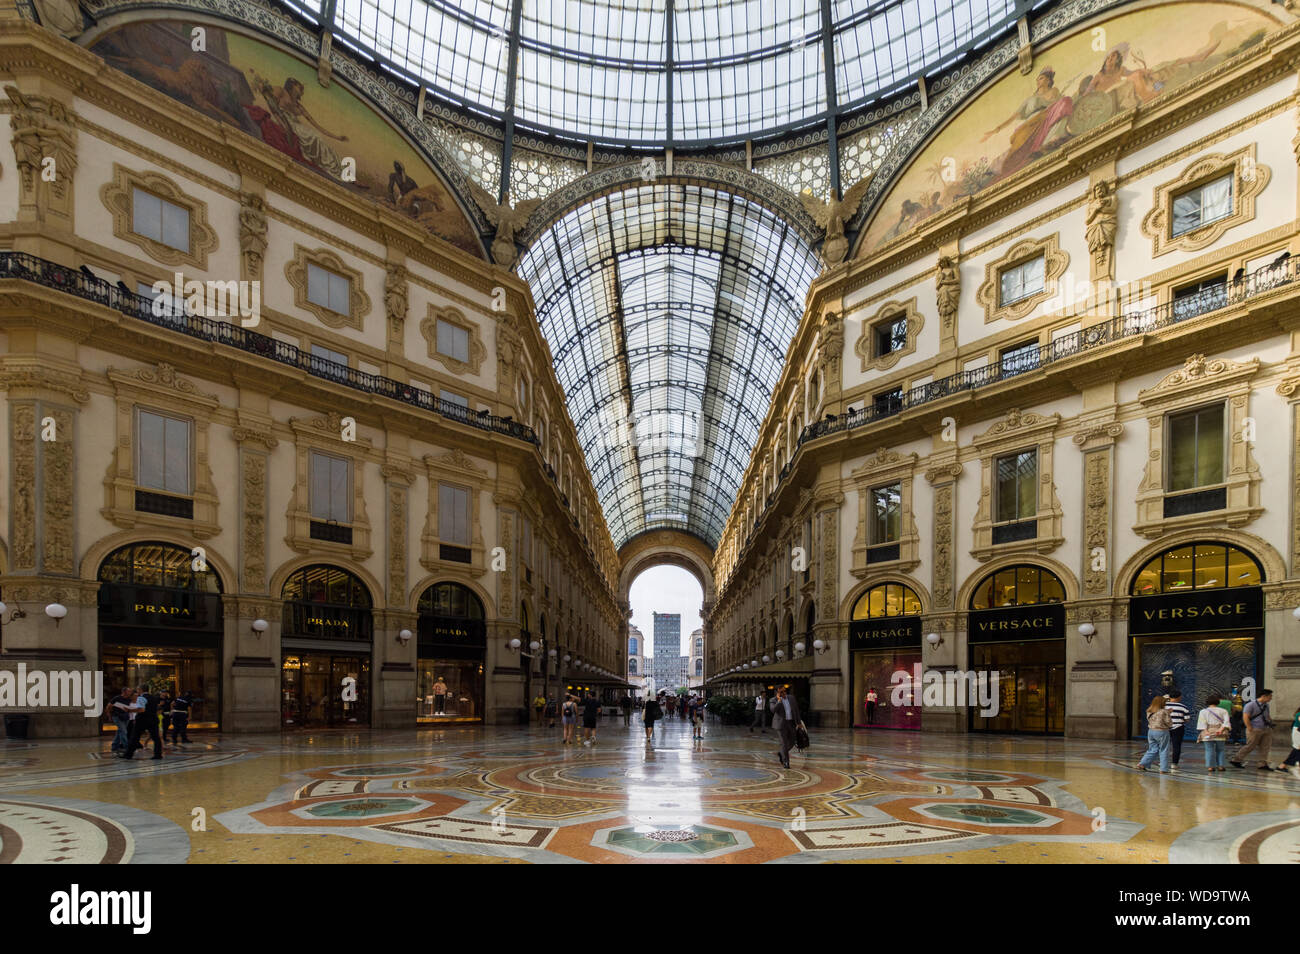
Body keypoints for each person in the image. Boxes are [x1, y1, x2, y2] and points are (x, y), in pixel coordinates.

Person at [1231, 688, 1275, 771]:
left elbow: (1267, 715)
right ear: (1264, 696)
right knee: (1250, 746)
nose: (1271, 698)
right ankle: (1236, 759)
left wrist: (1271, 722)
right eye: (1270, 696)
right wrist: (1249, 727)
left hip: (1266, 728)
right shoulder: (1250, 705)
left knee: (1265, 747)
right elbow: (1245, 716)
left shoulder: (1266, 705)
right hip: (1255, 728)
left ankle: (1262, 763)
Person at [769, 685, 803, 770]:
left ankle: (781, 753)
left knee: (792, 741)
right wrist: (779, 701)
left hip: (791, 723)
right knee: (784, 743)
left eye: (785, 691)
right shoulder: (773, 700)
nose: (784, 693)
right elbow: (773, 710)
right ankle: (786, 762)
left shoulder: (791, 698)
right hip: (781, 724)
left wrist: (799, 722)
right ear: (777, 693)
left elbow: (796, 710)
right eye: (781, 692)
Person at [125, 686, 163, 760]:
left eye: (138, 689)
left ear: (141, 690)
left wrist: (129, 710)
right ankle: (158, 754)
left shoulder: (141, 698)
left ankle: (128, 754)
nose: (137, 691)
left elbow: (141, 709)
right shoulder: (153, 697)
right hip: (153, 719)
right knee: (156, 737)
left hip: (142, 720)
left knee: (135, 736)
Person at [1137, 695, 1171, 773]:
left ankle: (1142, 764)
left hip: (1151, 731)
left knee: (1152, 749)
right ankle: (1163, 769)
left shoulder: (1149, 711)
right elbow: (1169, 723)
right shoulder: (1164, 711)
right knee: (1164, 749)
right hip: (1162, 732)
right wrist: (1169, 714)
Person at [1196, 694, 1230, 772]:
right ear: (1218, 702)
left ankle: (1210, 767)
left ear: (1207, 702)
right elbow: (1226, 722)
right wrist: (1220, 730)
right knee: (1220, 749)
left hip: (1208, 732)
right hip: (1220, 732)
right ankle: (1221, 766)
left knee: (1209, 749)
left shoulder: (1203, 711)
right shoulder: (1223, 711)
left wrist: (1206, 731)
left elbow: (1202, 723)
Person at [1164, 690, 1190, 771]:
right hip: (1178, 728)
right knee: (1176, 746)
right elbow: (1187, 719)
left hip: (1165, 728)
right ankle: (1174, 764)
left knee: (1164, 746)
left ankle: (1163, 762)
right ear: (1179, 697)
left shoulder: (1164, 706)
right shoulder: (1183, 707)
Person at [108, 687, 135, 754]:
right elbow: (109, 706)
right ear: (124, 692)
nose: (130, 693)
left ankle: (114, 747)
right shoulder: (117, 698)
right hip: (117, 717)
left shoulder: (129, 699)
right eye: (129, 691)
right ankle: (127, 747)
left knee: (120, 731)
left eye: (130, 691)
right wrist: (109, 715)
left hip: (125, 717)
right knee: (124, 731)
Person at [1279, 707, 1300, 779]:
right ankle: (1283, 765)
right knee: (1297, 750)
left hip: (1298, 732)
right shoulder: (1299, 714)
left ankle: (1283, 765)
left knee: (1297, 750)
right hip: (1298, 733)